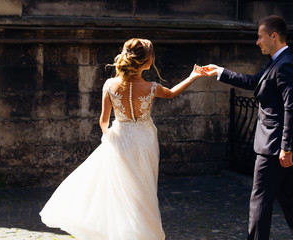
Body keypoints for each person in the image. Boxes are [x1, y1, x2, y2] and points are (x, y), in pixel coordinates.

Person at [40, 38, 204, 240]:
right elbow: (171, 93)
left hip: (120, 138)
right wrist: (193, 76)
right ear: (147, 61)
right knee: (144, 188)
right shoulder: (152, 87)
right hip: (145, 140)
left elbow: (103, 121)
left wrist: (109, 139)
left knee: (122, 190)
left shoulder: (110, 85)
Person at [202, 15, 293, 240]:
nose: (257, 42)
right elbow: (254, 82)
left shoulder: (286, 65)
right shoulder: (277, 62)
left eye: (260, 37)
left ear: (274, 36)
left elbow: (292, 108)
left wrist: (286, 147)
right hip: (278, 146)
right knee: (287, 197)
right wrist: (220, 71)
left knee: (260, 201)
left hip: (274, 148)